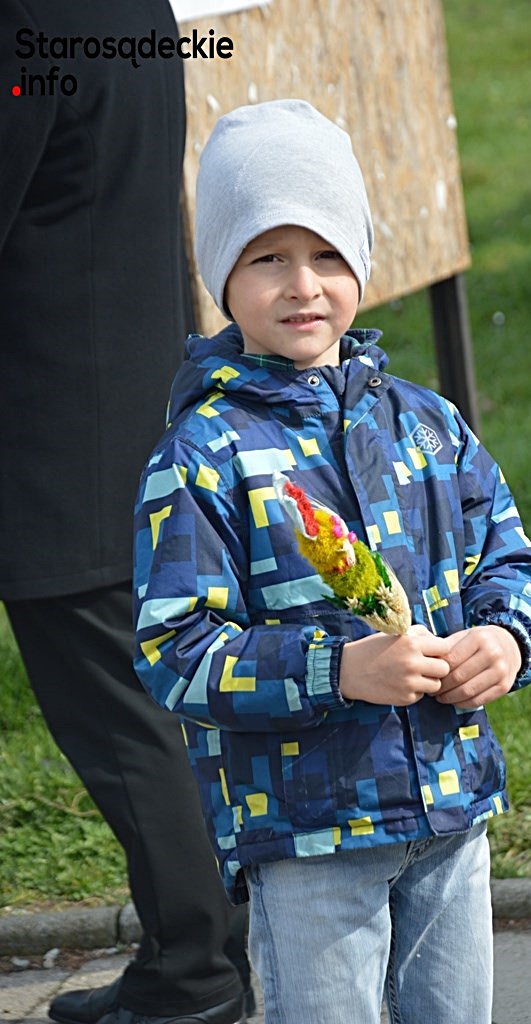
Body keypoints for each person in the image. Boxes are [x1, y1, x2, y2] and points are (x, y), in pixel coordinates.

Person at [132, 98, 531, 1024]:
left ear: (360, 259)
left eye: (327, 254)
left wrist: (505, 640)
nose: (303, 285)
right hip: (306, 836)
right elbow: (176, 652)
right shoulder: (203, 454)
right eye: (267, 258)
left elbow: (507, 562)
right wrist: (338, 669)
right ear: (221, 274)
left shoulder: (428, 425)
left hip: (449, 812)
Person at [0, 2, 250, 1022]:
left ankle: (197, 971)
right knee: (154, 700)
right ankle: (215, 952)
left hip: (57, 418)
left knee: (122, 714)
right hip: (127, 385)